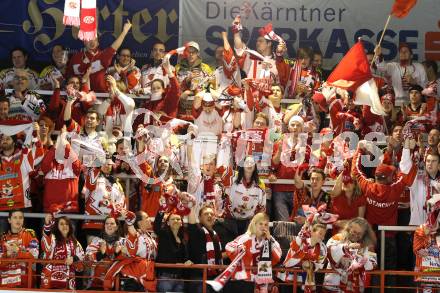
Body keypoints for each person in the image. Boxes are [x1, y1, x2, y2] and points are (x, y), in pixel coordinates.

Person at [66, 20, 132, 92]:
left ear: (98, 43)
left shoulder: (102, 56)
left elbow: (114, 47)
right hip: (79, 96)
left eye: (95, 40)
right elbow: (69, 77)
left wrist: (124, 31)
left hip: (100, 96)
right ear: (84, 41)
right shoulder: (76, 57)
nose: (92, 42)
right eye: (89, 39)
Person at [224, 212, 282, 293]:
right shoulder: (246, 237)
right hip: (245, 281)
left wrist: (270, 241)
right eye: (260, 224)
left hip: (263, 281)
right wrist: (239, 248)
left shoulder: (270, 239)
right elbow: (228, 247)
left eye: (266, 225)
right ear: (254, 225)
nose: (263, 227)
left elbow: (278, 255)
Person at [270, 115, 311, 222]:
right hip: (280, 188)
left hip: (297, 190)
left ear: (302, 128)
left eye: (298, 125)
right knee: (283, 223)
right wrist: (279, 151)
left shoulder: (307, 144)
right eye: (292, 125)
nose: (295, 127)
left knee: (299, 223)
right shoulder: (279, 142)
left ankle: (297, 240)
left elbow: (311, 166)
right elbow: (274, 164)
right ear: (288, 127)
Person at [324, 217, 377, 293]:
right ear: (349, 228)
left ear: (364, 234)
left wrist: (361, 258)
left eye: (359, 234)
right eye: (354, 232)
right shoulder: (337, 238)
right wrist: (346, 247)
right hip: (333, 286)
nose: (356, 235)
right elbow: (328, 253)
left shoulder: (368, 245)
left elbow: (373, 263)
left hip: (356, 288)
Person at [221, 156, 266, 244]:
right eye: (246, 162)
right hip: (230, 220)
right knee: (230, 247)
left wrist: (258, 225)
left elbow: (262, 208)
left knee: (246, 248)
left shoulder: (260, 184)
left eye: (252, 163)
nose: (249, 165)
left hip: (249, 223)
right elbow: (222, 174)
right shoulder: (232, 178)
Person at [0, 122, 43, 213]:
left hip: (22, 206)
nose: (4, 141)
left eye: (8, 138)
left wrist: (36, 133)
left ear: (14, 141)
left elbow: (38, 153)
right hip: (1, 207)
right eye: (2, 139)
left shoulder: (23, 155)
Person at [41, 214, 85, 290]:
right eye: (61, 224)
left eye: (67, 224)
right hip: (50, 276)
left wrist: (74, 258)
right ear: (57, 227)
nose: (64, 226)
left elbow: (82, 256)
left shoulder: (75, 242)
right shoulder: (53, 238)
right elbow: (46, 243)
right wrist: (47, 224)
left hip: (69, 277)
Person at [187, 204, 224, 293]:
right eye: (206, 214)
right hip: (199, 277)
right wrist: (191, 206)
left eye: (212, 214)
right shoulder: (198, 231)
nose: (209, 216)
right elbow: (192, 224)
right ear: (199, 218)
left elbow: (218, 256)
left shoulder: (215, 234)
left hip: (215, 277)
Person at [154, 211, 192, 292]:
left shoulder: (183, 239)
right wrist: (161, 210)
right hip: (166, 277)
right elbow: (156, 227)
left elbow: (184, 257)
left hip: (179, 278)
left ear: (181, 223)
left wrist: (187, 261)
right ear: (167, 223)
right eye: (173, 219)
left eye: (178, 219)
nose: (176, 221)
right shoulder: (164, 234)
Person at [0, 210, 39, 288]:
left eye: (20, 217)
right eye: (15, 217)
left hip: (25, 283)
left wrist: (18, 251)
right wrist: (7, 254)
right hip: (6, 283)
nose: (18, 220)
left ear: (23, 220)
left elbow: (34, 256)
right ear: (9, 220)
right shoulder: (2, 238)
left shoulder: (30, 234)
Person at [85, 216, 123, 289]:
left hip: (118, 284)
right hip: (97, 284)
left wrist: (118, 254)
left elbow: (130, 259)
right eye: (107, 223)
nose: (109, 225)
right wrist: (101, 254)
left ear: (117, 227)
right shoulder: (96, 241)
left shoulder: (123, 242)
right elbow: (87, 260)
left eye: (112, 223)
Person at [329, 166, 366, 234]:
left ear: (355, 185)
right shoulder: (336, 195)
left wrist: (346, 223)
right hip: (338, 233)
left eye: (350, 181)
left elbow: (360, 221)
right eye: (344, 180)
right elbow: (333, 221)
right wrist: (344, 171)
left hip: (354, 233)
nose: (346, 183)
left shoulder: (360, 198)